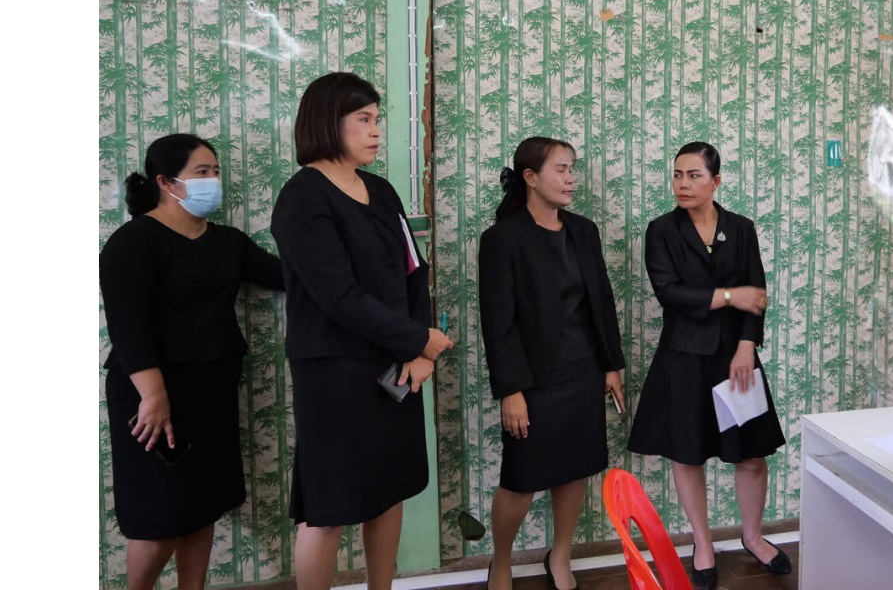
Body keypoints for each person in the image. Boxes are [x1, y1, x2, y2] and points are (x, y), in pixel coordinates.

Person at [270, 72, 453, 590]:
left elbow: (414, 271)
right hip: (334, 372)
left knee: (388, 490)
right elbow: (339, 297)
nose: (376, 131)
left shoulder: (381, 190)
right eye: (364, 119)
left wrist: (420, 352)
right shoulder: (303, 197)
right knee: (328, 507)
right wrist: (416, 340)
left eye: (378, 119)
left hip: (396, 366)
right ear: (329, 122)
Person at [101, 133, 284, 590]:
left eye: (216, 172)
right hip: (151, 396)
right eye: (202, 172)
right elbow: (128, 328)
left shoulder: (227, 242)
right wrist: (154, 397)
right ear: (165, 182)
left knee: (203, 508)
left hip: (212, 391)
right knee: (159, 519)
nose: (213, 181)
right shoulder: (133, 242)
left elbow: (286, 276)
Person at [627, 142, 790, 590]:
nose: (682, 184)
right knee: (689, 454)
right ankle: (702, 543)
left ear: (716, 181)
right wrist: (729, 296)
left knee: (752, 455)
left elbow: (756, 291)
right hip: (683, 356)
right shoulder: (662, 230)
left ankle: (753, 537)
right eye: (677, 175)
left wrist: (746, 346)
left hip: (736, 354)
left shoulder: (740, 228)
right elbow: (670, 294)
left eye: (693, 175)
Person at [478, 137, 627, 590]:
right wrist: (511, 390)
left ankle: (560, 555)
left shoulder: (584, 231)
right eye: (561, 170)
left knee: (575, 470)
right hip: (532, 381)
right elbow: (498, 322)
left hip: (583, 372)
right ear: (530, 177)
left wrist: (611, 365)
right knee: (520, 479)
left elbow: (601, 301)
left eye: (572, 169)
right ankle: (501, 561)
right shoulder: (502, 240)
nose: (570, 179)